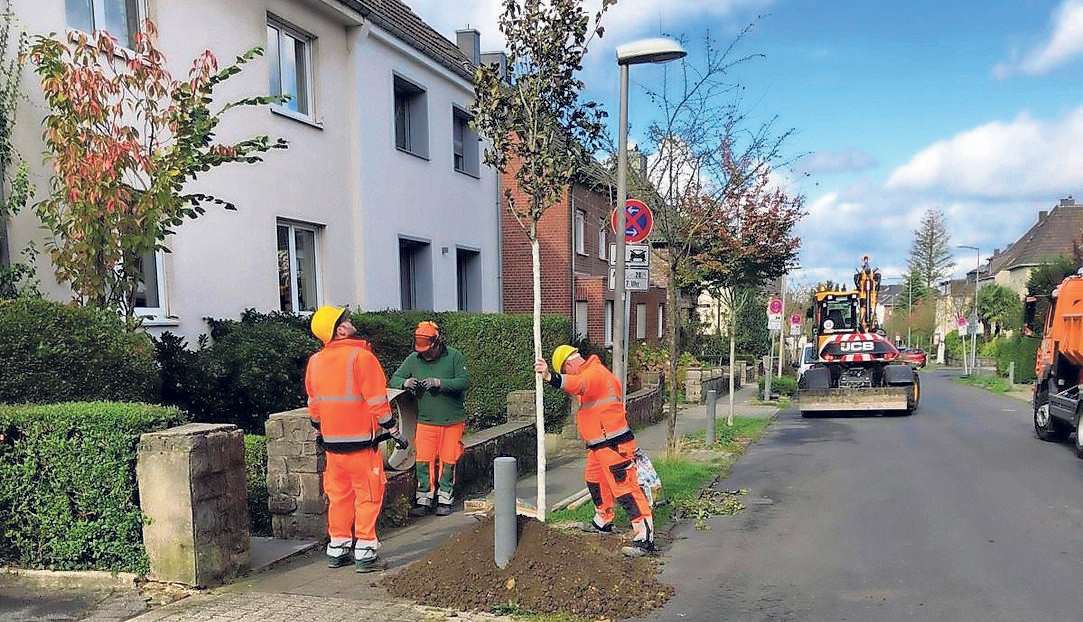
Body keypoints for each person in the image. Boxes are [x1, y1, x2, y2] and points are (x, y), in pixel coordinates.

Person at [306, 306, 408, 572]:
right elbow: (377, 400)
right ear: (340, 330)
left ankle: (337, 548)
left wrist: (320, 430)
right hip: (363, 447)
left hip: (332, 447)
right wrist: (393, 429)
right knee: (368, 495)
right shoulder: (362, 358)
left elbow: (314, 405)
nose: (351, 322)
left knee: (339, 497)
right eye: (346, 320)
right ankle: (365, 552)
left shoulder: (315, 362)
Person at [534, 345, 655, 557]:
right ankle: (603, 520)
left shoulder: (593, 374)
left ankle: (644, 536)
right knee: (594, 479)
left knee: (625, 488)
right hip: (601, 444)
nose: (566, 374)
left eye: (564, 370)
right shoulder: (597, 373)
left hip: (613, 444)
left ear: (569, 363)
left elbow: (576, 384)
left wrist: (550, 377)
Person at [390, 321, 471, 516]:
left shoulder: (454, 357)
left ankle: (445, 499)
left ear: (436, 343)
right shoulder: (413, 359)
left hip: (452, 420)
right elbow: (394, 379)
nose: (425, 354)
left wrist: (439, 383)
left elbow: (464, 382)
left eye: (427, 350)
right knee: (423, 460)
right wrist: (405, 382)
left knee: (448, 460)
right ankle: (424, 499)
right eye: (421, 350)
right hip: (425, 420)